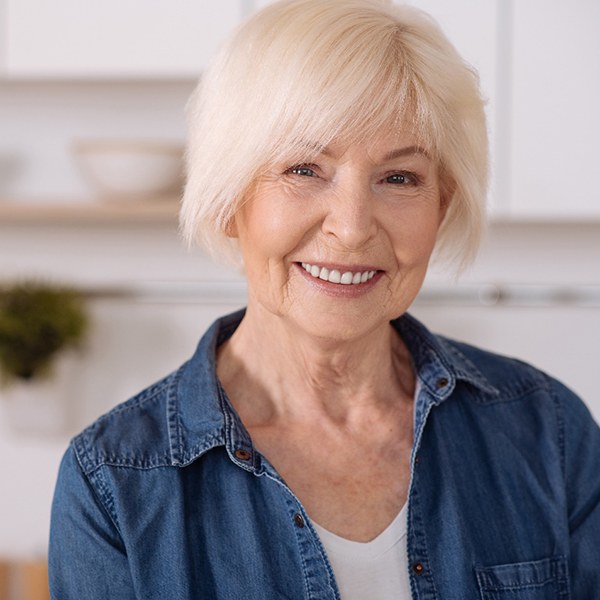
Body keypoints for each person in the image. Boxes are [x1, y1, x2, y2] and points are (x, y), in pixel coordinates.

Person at [48, 0, 600, 598]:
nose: (353, 226)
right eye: (305, 169)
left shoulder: (549, 431)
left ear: (441, 206)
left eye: (399, 178)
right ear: (230, 199)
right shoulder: (113, 483)